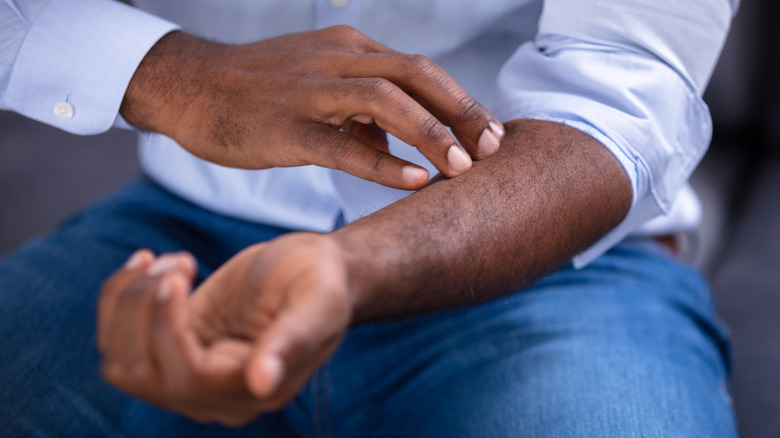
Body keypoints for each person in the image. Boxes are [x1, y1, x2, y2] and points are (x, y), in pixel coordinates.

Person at [0, 0, 739, 436]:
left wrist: (349, 267)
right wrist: (166, 74)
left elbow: (617, 99)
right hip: (186, 222)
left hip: (559, 259)